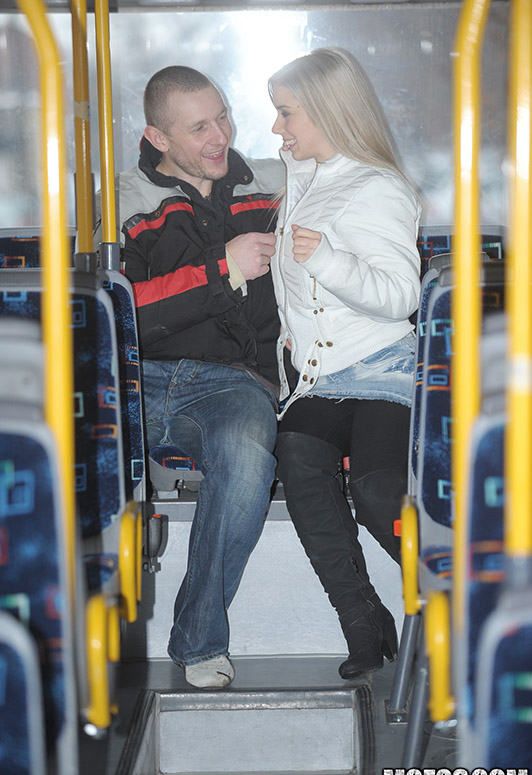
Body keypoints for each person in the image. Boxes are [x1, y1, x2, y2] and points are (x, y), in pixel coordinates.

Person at [100, 66, 285, 689]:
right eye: (199, 127)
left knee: (247, 455)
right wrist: (220, 269)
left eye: (223, 117)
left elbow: (366, 184)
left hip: (229, 382)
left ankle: (199, 640)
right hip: (135, 376)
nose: (220, 136)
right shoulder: (121, 201)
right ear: (157, 137)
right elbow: (118, 312)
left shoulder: (272, 183)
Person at [269, 48, 421, 680]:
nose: (277, 127)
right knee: (298, 456)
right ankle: (361, 618)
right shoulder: (303, 177)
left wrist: (330, 261)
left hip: (381, 366)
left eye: (286, 113)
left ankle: (458, 598)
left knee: (377, 491)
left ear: (327, 111)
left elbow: (401, 296)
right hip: (320, 376)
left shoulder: (378, 186)